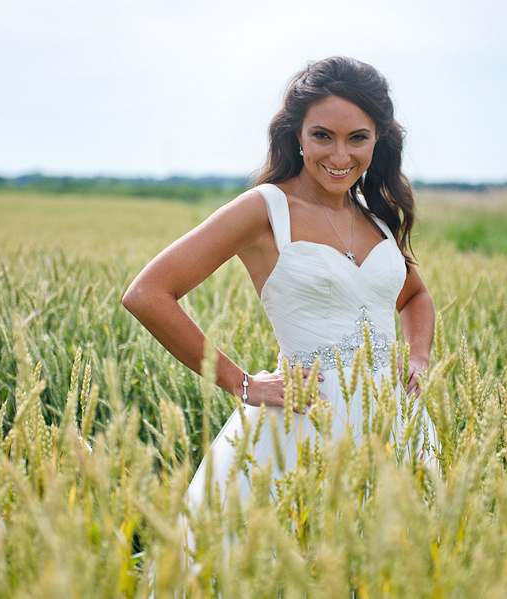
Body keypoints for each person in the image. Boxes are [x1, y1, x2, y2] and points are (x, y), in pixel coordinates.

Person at [122, 56, 437, 515]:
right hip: (301, 428)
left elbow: (415, 296)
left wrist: (418, 357)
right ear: (297, 134)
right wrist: (243, 384)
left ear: (378, 140)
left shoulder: (376, 217)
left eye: (358, 138)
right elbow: (148, 294)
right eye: (322, 136)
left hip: (396, 425)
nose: (340, 156)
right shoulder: (265, 209)